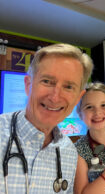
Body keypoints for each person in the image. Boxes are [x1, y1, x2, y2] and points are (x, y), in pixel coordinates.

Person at [0, 43, 94, 193]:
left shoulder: (69, 152)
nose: (55, 97)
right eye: (47, 81)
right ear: (28, 85)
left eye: (69, 87)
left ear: (78, 98)